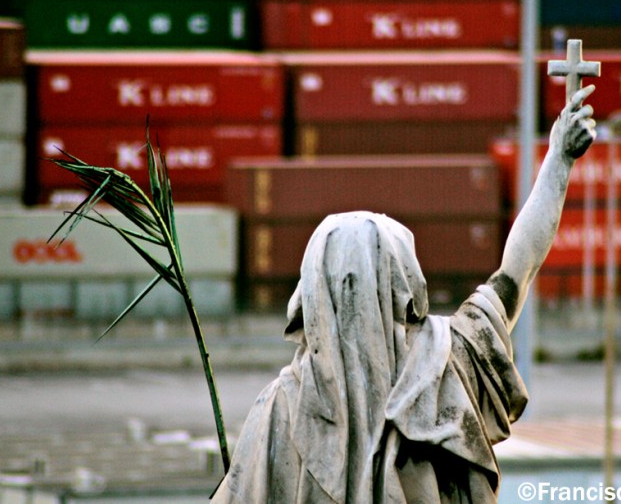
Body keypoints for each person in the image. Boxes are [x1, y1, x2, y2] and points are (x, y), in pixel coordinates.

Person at [211, 85, 598, 503]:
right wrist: (558, 160)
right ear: (404, 285)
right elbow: (517, 271)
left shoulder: (278, 410)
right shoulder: (445, 366)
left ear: (310, 294)